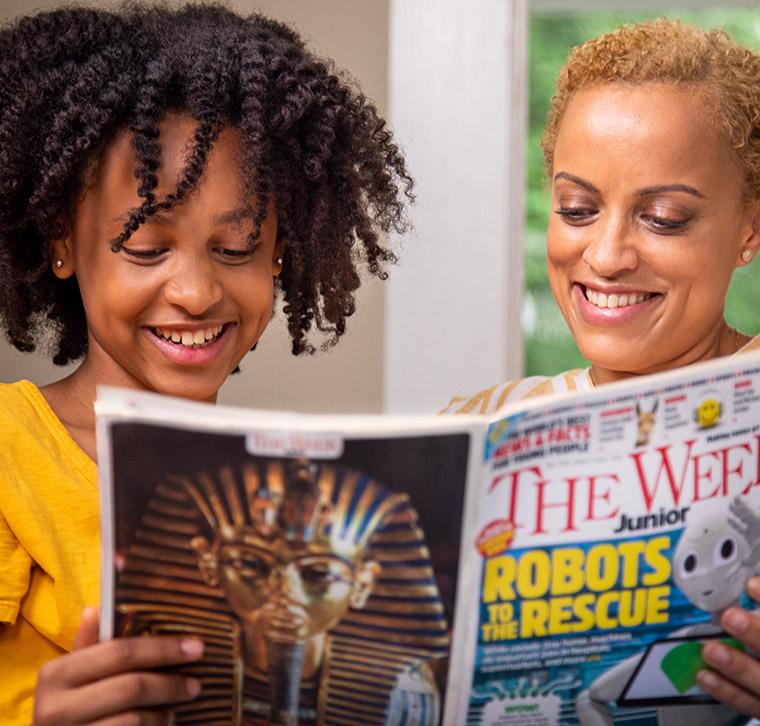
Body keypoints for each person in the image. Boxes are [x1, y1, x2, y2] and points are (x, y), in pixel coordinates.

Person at [0, 4, 412, 724]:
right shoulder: (10, 457)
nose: (195, 292)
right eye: (146, 247)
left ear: (280, 251)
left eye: (236, 247)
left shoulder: (300, 492)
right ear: (63, 243)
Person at [443, 17, 760, 720]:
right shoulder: (474, 426)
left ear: (749, 229)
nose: (609, 254)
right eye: (577, 208)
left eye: (665, 217)